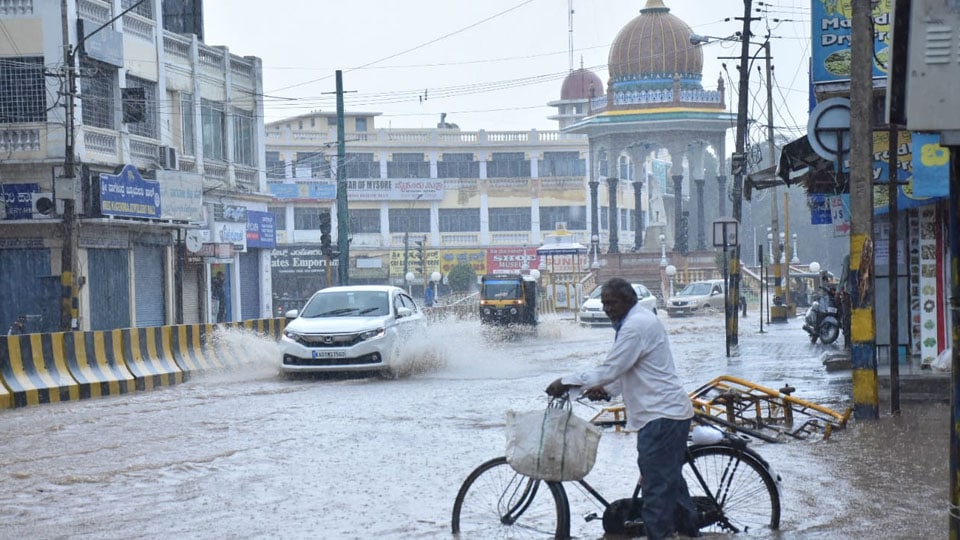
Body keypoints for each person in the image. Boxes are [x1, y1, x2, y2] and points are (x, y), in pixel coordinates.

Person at [546, 277, 698, 540]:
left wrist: (566, 381)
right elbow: (627, 370)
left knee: (656, 494)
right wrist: (606, 389)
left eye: (612, 302)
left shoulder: (634, 327)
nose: (607, 308)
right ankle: (689, 533)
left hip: (660, 417)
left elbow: (610, 368)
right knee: (670, 487)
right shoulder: (635, 322)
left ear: (629, 300)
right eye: (604, 303)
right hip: (665, 414)